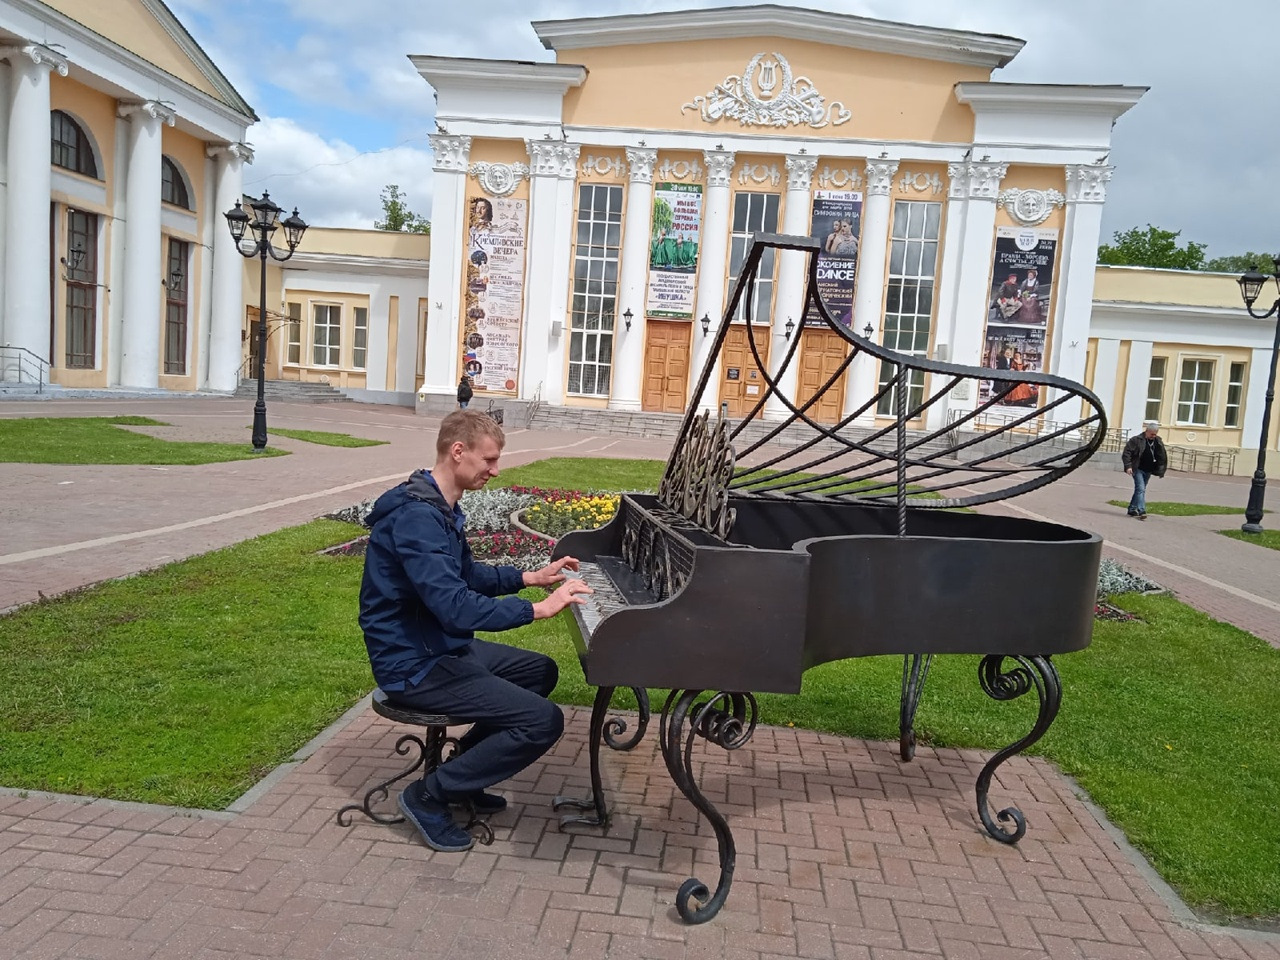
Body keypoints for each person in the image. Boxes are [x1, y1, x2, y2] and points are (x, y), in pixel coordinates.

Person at [358, 410, 593, 852]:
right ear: (458, 450)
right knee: (542, 721)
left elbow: (465, 574)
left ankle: (463, 773)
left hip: (438, 648)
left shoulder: (440, 505)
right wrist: (538, 611)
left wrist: (528, 578)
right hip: (412, 665)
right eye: (489, 460)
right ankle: (428, 797)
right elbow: (455, 608)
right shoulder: (417, 517)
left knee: (538, 672)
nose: (495, 470)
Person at [1121, 420, 1168, 520]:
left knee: (1140, 490)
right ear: (1147, 431)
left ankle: (1132, 508)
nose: (1153, 436)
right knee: (1141, 489)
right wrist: (1128, 466)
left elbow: (1162, 455)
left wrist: (1160, 469)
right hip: (1137, 468)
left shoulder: (1158, 441)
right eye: (1152, 434)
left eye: (1155, 434)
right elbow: (1127, 453)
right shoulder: (1136, 440)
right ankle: (1142, 510)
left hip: (1149, 469)